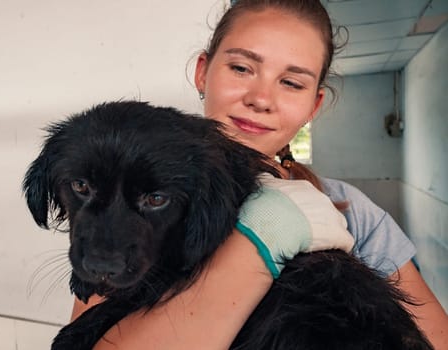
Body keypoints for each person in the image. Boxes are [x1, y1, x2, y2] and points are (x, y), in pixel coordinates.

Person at [70, 0, 448, 348]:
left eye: (291, 82)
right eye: (241, 68)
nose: (261, 99)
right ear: (203, 72)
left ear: (314, 104)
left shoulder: (351, 215)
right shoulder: (142, 203)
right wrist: (264, 239)